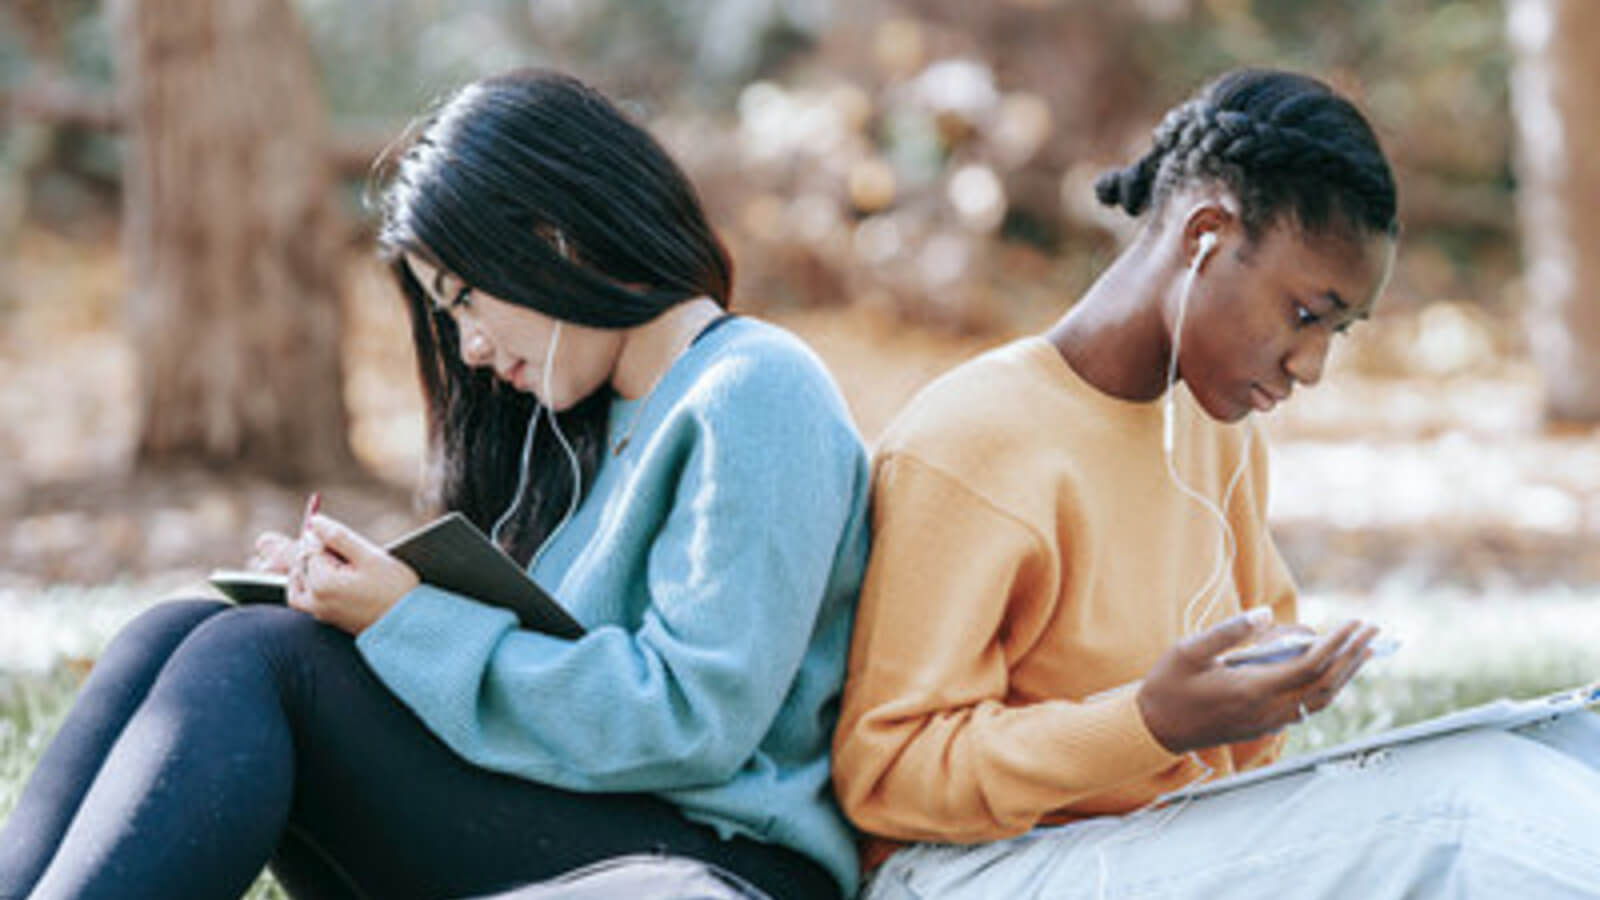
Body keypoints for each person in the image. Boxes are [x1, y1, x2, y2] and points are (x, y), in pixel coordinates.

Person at [0, 69, 869, 900]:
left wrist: (405, 619)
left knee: (261, 660)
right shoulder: (583, 424)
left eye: (464, 303)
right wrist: (359, 600)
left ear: (552, 239)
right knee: (180, 628)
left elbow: (692, 721)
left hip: (719, 858)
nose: (471, 352)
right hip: (585, 816)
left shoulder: (754, 391)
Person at [831, 67, 1600, 898]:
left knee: (1538, 757)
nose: (1311, 366)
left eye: (1339, 330)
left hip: (1158, 842)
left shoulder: (1211, 430)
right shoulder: (975, 437)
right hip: (967, 872)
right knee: (1460, 816)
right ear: (1204, 234)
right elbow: (888, 776)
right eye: (1307, 314)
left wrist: (1273, 695)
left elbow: (1243, 721)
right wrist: (1148, 723)